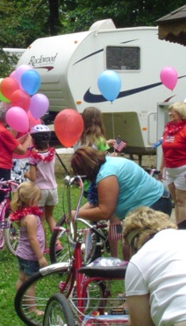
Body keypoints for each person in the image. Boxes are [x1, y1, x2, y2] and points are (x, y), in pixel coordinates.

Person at [70, 146, 172, 222]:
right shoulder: (107, 163)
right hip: (155, 201)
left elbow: (105, 211)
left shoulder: (106, 175)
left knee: (140, 246)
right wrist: (77, 212)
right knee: (127, 246)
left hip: (153, 205)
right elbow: (98, 199)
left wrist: (78, 213)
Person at [76, 107, 123, 258]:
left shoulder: (79, 138)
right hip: (101, 182)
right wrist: (114, 153)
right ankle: (115, 255)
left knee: (92, 216)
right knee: (114, 219)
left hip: (85, 182)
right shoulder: (100, 140)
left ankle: (86, 244)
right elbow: (104, 159)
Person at [0, 102, 32, 217]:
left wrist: (23, 137)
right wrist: (29, 138)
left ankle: (1, 226)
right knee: (3, 201)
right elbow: (21, 150)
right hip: (1, 167)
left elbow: (11, 144)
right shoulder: (3, 131)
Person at [10, 181, 48, 316]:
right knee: (30, 283)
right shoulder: (31, 217)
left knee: (22, 278)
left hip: (22, 253)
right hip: (30, 256)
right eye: (37, 199)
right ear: (31, 200)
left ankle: (20, 300)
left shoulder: (21, 214)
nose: (38, 202)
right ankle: (32, 308)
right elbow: (33, 239)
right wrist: (40, 257)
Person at [24, 124, 59, 252]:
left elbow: (32, 177)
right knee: (50, 217)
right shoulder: (52, 152)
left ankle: (44, 247)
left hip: (40, 191)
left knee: (41, 220)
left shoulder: (33, 156)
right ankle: (57, 243)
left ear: (34, 140)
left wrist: (26, 174)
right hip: (53, 188)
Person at [158, 102, 186, 224]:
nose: (170, 114)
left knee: (182, 202)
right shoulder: (168, 130)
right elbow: (165, 150)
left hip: (184, 170)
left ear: (181, 113)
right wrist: (161, 168)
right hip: (170, 170)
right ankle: (179, 227)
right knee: (176, 201)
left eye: (173, 111)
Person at [11, 112, 41, 183]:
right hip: (32, 155)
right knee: (30, 187)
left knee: (17, 187)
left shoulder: (18, 116)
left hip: (18, 157)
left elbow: (10, 140)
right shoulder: (36, 116)